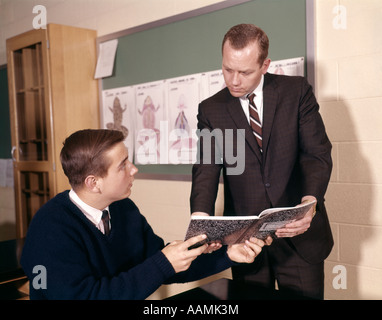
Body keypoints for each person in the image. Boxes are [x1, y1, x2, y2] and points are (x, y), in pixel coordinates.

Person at [20, 129, 268, 300]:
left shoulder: (123, 209)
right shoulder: (50, 228)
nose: (134, 169)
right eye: (123, 165)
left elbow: (164, 266)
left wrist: (229, 254)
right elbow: (86, 296)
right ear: (94, 183)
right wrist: (162, 263)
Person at [190, 24, 333, 299]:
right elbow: (206, 167)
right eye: (227, 69)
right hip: (245, 240)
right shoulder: (211, 109)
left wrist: (309, 203)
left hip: (298, 238)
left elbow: (317, 154)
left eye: (244, 72)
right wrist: (200, 219)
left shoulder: (297, 92)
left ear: (265, 65)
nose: (233, 80)